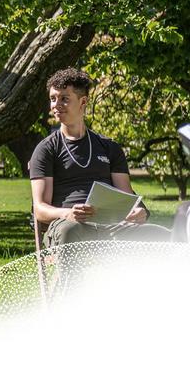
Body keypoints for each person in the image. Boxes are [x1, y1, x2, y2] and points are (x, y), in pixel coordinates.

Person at [29, 67, 169, 248]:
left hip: (112, 225)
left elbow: (126, 196)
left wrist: (139, 211)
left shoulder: (109, 147)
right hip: (69, 224)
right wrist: (68, 214)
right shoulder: (46, 149)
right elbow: (40, 209)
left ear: (83, 101)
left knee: (162, 235)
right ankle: (71, 278)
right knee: (69, 231)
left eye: (64, 99)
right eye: (53, 99)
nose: (56, 105)